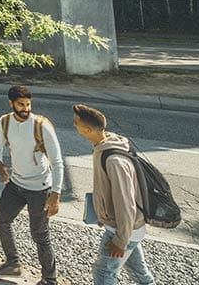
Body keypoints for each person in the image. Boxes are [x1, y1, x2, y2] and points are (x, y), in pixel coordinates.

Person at [73, 104, 156, 285]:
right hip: (127, 227)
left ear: (87, 130)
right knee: (138, 271)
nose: (74, 125)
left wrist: (120, 240)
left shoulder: (113, 160)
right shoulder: (105, 145)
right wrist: (103, 213)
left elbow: (126, 202)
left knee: (103, 274)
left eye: (76, 122)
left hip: (124, 229)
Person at [0, 84, 64, 285]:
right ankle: (13, 264)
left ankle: (50, 279)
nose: (26, 108)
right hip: (16, 184)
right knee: (2, 219)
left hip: (40, 189)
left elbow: (57, 162)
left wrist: (55, 195)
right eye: (21, 104)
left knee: (40, 235)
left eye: (28, 104)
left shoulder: (41, 126)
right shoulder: (4, 122)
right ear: (11, 103)